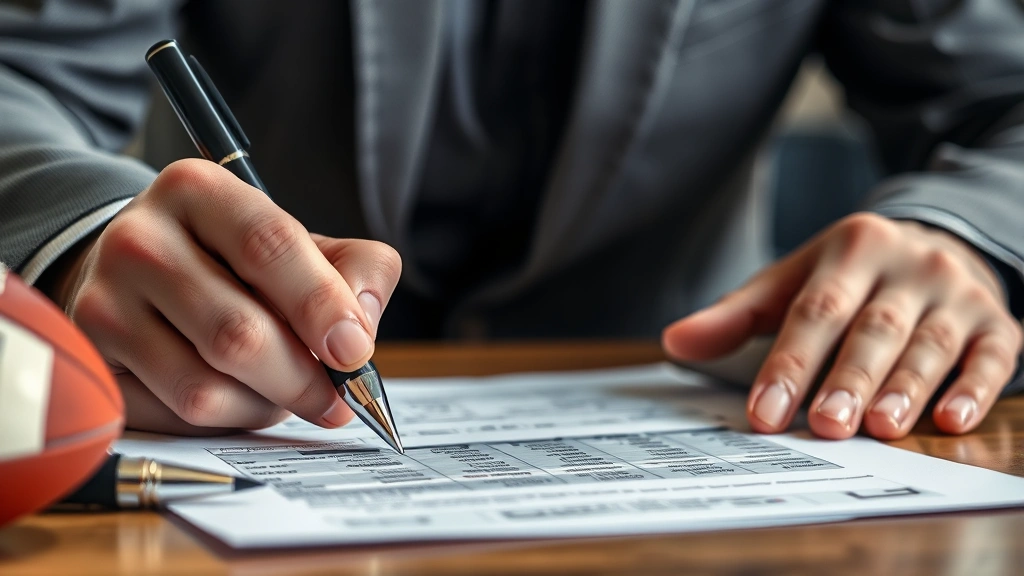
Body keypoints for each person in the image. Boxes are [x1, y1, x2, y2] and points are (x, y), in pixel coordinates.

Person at [1, 1, 1022, 441]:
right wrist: (87, 231)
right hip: (226, 424)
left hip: (686, 412)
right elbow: (20, 71)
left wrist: (961, 232)